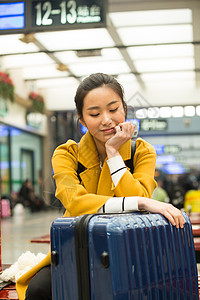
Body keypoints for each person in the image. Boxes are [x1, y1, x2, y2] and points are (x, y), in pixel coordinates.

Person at [16, 73, 184, 300]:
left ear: (124, 109)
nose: (106, 119)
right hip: (76, 250)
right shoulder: (67, 154)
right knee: (38, 291)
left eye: (113, 109)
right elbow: (75, 203)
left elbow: (135, 200)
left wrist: (114, 155)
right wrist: (142, 202)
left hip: (130, 253)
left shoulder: (142, 152)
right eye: (94, 113)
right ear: (82, 120)